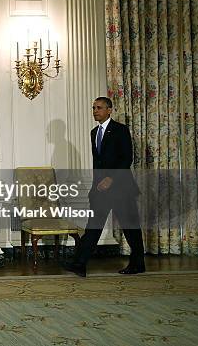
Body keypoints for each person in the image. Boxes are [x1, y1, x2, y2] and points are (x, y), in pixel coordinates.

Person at [64, 97, 145, 277]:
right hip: (100, 190)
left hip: (121, 188)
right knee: (93, 226)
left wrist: (111, 178)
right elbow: (98, 163)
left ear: (109, 110)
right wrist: (95, 188)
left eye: (99, 108)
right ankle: (79, 264)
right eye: (93, 107)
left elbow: (126, 159)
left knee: (130, 228)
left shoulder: (120, 130)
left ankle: (138, 264)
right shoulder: (94, 132)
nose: (95, 111)